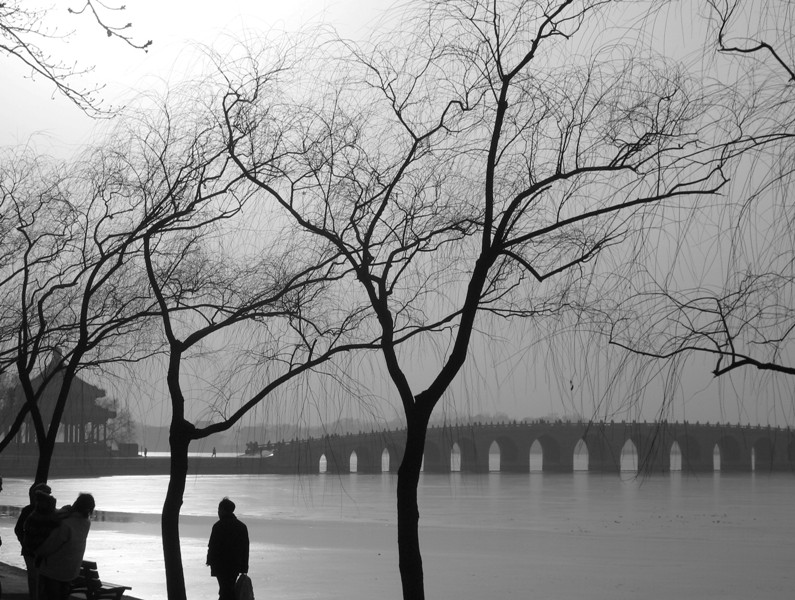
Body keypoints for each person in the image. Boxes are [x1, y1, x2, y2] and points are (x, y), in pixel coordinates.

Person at [36, 493, 95, 600]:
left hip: (53, 569)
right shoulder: (86, 523)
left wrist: (39, 553)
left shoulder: (66, 524)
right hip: (71, 570)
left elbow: (51, 545)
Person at [17, 486, 57, 599]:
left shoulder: (31, 510)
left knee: (35, 577)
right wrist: (24, 542)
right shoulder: (48, 512)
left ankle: (34, 597)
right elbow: (18, 529)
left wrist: (24, 542)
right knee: (36, 577)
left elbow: (19, 529)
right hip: (36, 550)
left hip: (34, 550)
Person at [206, 497, 249, 600]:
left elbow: (213, 546)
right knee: (228, 589)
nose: (218, 512)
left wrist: (209, 561)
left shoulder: (218, 526)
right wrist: (244, 567)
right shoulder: (242, 527)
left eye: (219, 510)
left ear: (223, 510)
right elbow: (245, 548)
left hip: (220, 566)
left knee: (225, 591)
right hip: (235, 565)